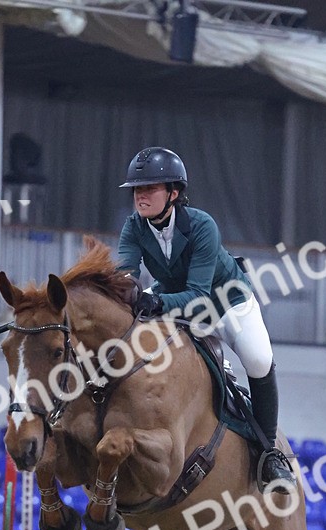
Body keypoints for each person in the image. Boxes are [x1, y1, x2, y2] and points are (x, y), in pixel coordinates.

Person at [117, 146, 296, 494]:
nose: (140, 196)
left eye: (149, 188)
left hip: (225, 302)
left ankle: (269, 454)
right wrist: (122, 289)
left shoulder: (202, 225)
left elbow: (198, 295)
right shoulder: (134, 226)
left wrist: (154, 302)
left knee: (258, 359)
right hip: (174, 298)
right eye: (137, 189)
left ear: (174, 193)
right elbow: (126, 271)